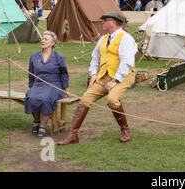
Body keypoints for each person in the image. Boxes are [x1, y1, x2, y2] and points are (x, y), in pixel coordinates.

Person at [58, 12, 137, 145]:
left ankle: (125, 130)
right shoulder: (103, 39)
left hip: (124, 75)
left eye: (105, 20)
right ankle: (72, 135)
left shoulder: (126, 38)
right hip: (104, 75)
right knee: (85, 99)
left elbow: (127, 62)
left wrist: (115, 81)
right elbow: (95, 57)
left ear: (113, 22)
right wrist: (93, 74)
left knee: (112, 99)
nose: (102, 22)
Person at [25, 31, 69, 137]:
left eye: (46, 39)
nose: (42, 40)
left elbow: (64, 73)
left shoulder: (59, 57)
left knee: (45, 99)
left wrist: (66, 88)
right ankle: (36, 121)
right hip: (38, 84)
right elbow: (31, 73)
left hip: (54, 85)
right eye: (42, 38)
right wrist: (31, 86)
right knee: (31, 97)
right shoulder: (34, 56)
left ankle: (43, 126)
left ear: (52, 43)